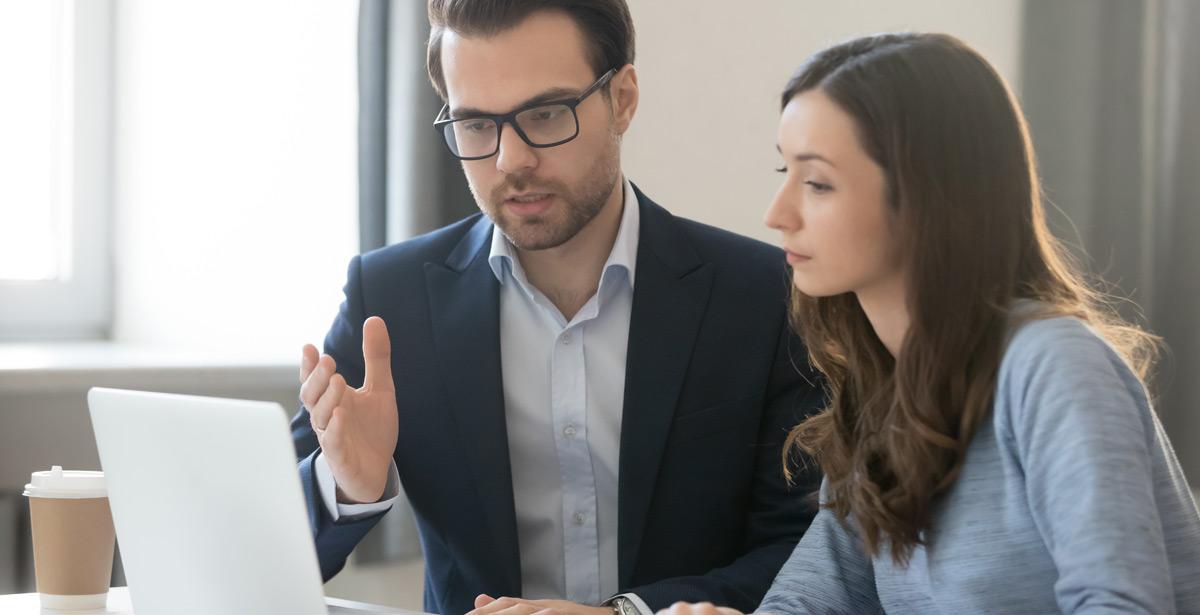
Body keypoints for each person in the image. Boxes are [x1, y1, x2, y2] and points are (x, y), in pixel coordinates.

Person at [290, 2, 824, 615]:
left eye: (545, 115)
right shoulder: (390, 300)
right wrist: (349, 486)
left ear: (622, 99)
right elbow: (267, 538)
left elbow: (811, 553)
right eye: (475, 125)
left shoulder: (762, 296)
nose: (510, 160)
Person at [663, 33, 1200, 614]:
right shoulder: (880, 389)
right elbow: (815, 599)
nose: (777, 213)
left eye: (816, 182)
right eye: (784, 171)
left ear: (923, 196)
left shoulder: (1053, 366)